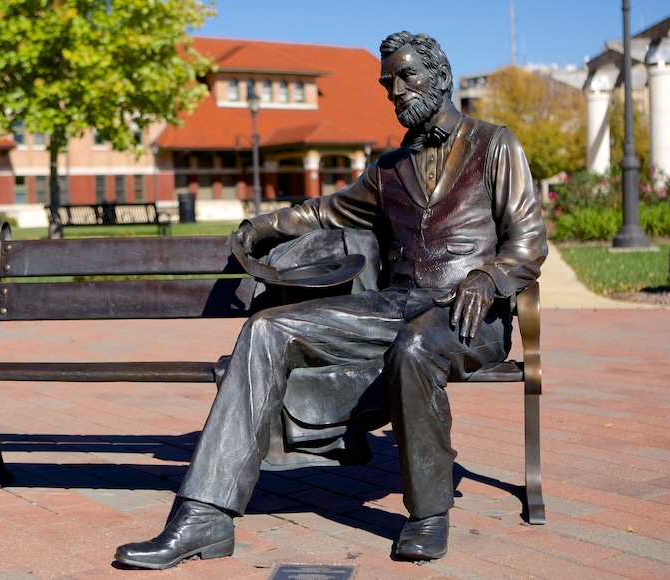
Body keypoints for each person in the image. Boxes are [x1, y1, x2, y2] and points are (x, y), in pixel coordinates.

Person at [115, 30, 548, 569]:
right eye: (388, 82)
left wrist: (489, 276)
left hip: (468, 315)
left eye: (406, 76)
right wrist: (264, 224)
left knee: (415, 349)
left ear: (440, 76)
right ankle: (205, 515)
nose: (396, 91)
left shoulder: (495, 144)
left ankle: (428, 515)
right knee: (267, 328)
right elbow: (326, 211)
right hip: (397, 303)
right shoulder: (390, 168)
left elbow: (528, 241)